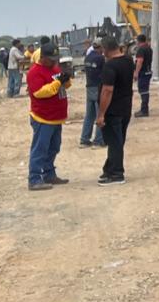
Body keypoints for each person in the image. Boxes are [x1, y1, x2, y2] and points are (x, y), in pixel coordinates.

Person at [25, 43, 72, 191]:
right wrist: (57, 82)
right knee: (40, 149)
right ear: (43, 57)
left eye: (55, 58)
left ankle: (49, 174)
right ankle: (34, 179)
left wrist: (66, 80)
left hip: (56, 117)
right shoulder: (34, 72)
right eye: (51, 59)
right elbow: (40, 92)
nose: (54, 61)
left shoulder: (55, 68)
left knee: (54, 147)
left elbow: (63, 86)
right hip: (43, 117)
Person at [95, 35, 134, 186]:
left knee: (114, 142)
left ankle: (117, 174)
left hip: (113, 110)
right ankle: (109, 169)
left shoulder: (110, 66)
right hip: (125, 108)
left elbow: (107, 90)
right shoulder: (128, 61)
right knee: (118, 141)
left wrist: (101, 114)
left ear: (105, 49)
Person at [80, 39, 106, 148]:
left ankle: (84, 139)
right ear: (100, 47)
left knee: (89, 115)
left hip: (89, 87)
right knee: (100, 115)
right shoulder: (101, 58)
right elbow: (105, 73)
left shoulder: (88, 57)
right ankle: (98, 141)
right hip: (98, 88)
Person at [133, 33, 153, 117]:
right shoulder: (149, 48)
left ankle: (144, 110)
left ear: (138, 41)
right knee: (145, 90)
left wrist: (136, 73)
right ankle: (144, 109)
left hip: (143, 72)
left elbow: (140, 61)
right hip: (148, 71)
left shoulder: (141, 49)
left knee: (143, 91)